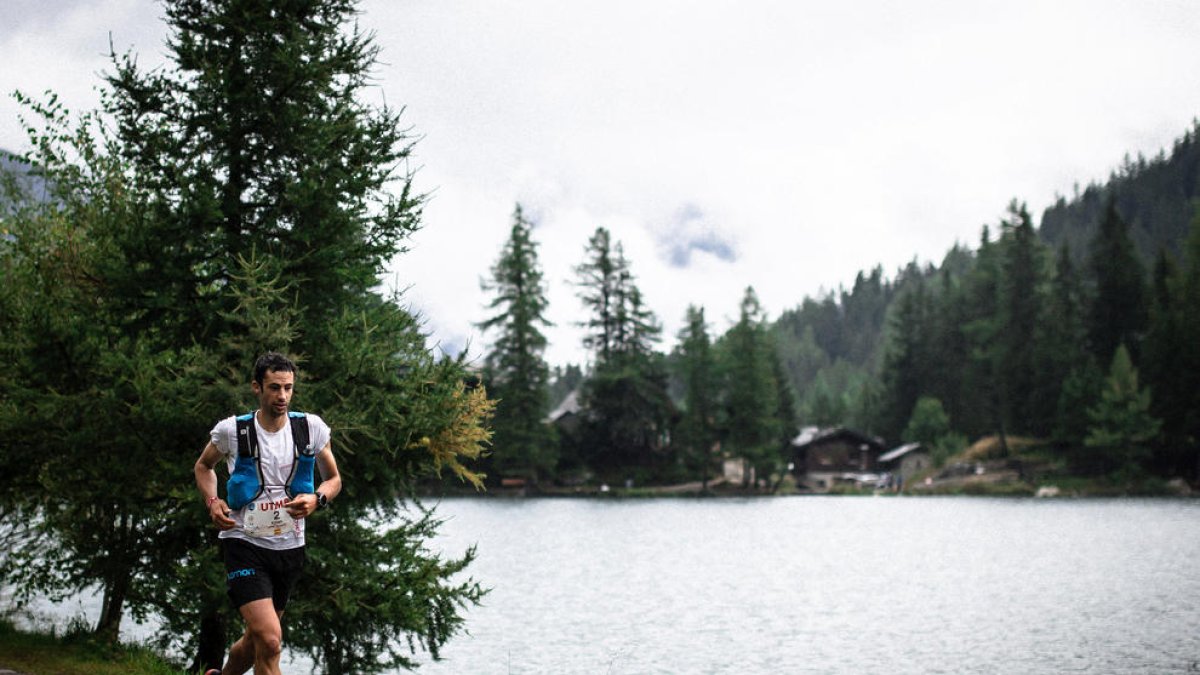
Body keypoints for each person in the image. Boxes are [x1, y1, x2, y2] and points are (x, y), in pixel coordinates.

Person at [194, 352, 341, 675]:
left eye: (288, 388)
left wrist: (317, 499)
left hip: (289, 548)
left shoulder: (310, 429)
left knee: (255, 640)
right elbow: (204, 466)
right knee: (272, 640)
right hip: (243, 544)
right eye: (274, 388)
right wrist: (213, 501)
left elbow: (334, 480)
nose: (282, 396)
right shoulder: (233, 430)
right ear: (256, 387)